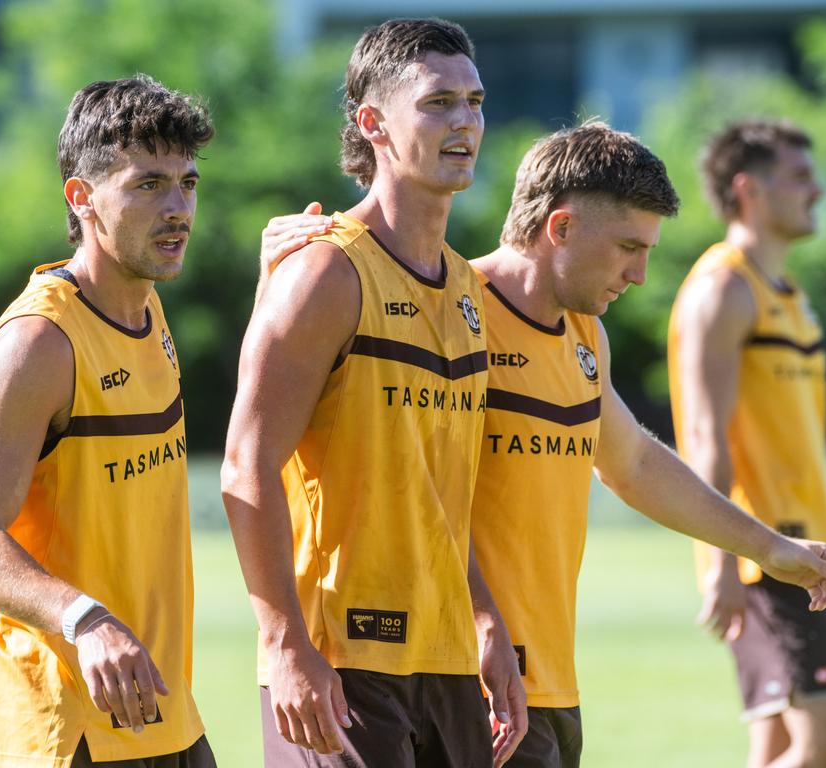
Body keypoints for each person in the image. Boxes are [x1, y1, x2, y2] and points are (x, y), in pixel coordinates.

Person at [257, 121, 826, 768]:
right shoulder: (451, 314)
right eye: (628, 246)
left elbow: (635, 463)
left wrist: (769, 548)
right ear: (560, 228)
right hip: (459, 681)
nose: (642, 274)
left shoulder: (583, 335)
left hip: (549, 681)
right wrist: (281, 277)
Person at [220, 18, 526, 768]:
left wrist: (486, 621)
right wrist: (285, 644)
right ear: (373, 123)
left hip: (448, 660)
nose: (465, 122)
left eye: (475, 102)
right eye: (437, 103)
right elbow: (245, 467)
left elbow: (439, 493)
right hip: (341, 660)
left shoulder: (464, 287)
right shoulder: (325, 273)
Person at [0, 76, 216, 767]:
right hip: (61, 736)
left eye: (187, 182)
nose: (178, 207)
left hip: (164, 716)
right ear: (81, 197)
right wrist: (83, 619)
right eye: (148, 184)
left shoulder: (149, 308)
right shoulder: (37, 343)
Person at [668, 119, 826, 768]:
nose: (818, 190)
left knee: (777, 743)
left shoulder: (792, 297)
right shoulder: (723, 289)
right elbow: (703, 433)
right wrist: (722, 563)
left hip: (808, 550)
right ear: (748, 189)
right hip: (764, 556)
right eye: (800, 177)